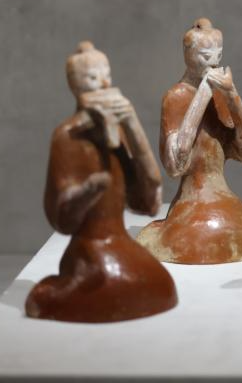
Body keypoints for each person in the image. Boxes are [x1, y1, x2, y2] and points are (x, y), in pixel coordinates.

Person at [26, 41, 177, 322]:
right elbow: (62, 219)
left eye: (107, 75)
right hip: (88, 249)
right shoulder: (67, 136)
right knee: (108, 285)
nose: (105, 83)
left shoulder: (117, 130)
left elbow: (148, 200)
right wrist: (88, 190)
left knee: (160, 284)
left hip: (121, 240)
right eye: (94, 78)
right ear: (75, 86)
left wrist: (132, 124)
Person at [136, 18, 242, 264]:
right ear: (188, 54)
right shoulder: (175, 96)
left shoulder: (222, 93)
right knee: (194, 240)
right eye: (206, 56)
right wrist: (203, 93)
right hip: (191, 197)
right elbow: (176, 165)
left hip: (221, 193)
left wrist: (232, 95)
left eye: (219, 55)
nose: (214, 62)